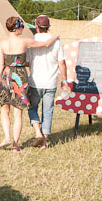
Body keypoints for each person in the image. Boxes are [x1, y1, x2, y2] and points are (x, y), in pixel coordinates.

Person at [0, 16, 59, 152]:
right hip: (20, 77)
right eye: (22, 27)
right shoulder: (25, 41)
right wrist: (55, 37)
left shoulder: (1, 43)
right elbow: (46, 44)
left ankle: (6, 137)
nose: (23, 29)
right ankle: (16, 145)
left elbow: (0, 64)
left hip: (6, 75)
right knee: (18, 113)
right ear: (18, 28)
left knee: (4, 110)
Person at [27, 15, 69, 149]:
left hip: (35, 81)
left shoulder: (32, 41)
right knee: (48, 111)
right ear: (48, 27)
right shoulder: (57, 42)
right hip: (50, 81)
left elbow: (27, 62)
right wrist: (65, 79)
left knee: (32, 108)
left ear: (36, 26)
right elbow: (62, 63)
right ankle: (44, 142)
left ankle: (38, 132)